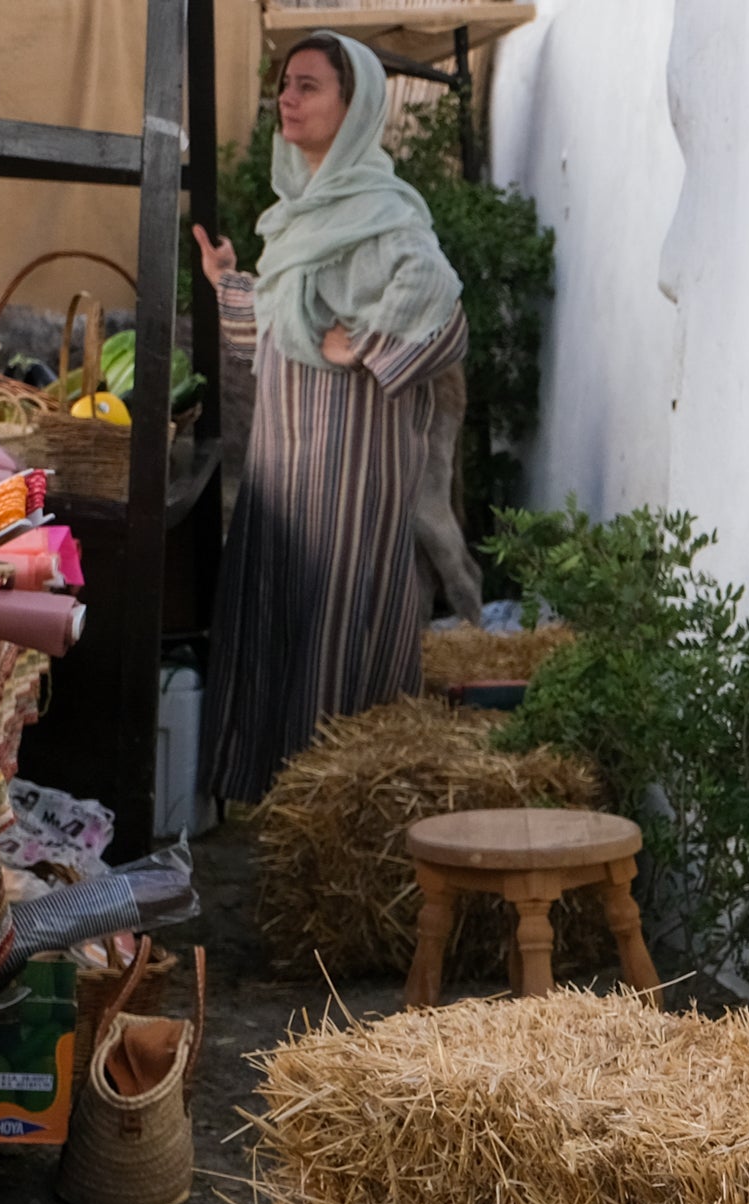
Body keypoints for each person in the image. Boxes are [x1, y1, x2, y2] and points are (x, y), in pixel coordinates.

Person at [193, 31, 467, 806]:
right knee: (284, 615)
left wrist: (363, 346)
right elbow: (285, 334)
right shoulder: (298, 217)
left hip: (351, 467)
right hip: (288, 461)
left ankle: (340, 808)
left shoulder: (384, 218)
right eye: (286, 84)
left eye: (309, 86)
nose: (288, 98)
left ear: (354, 109)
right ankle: (283, 812)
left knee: (340, 629)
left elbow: (444, 319)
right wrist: (230, 285)